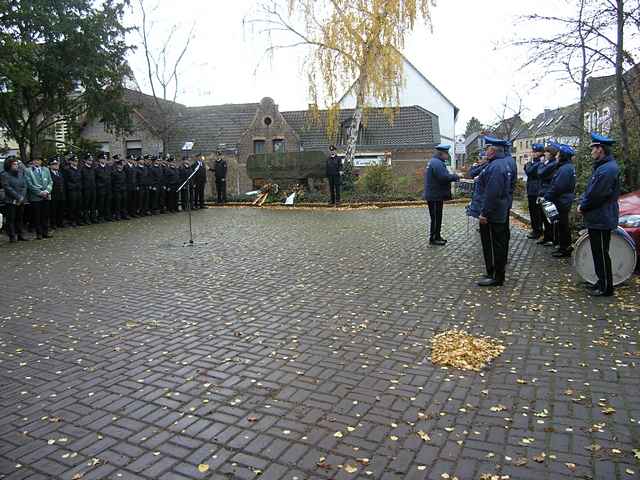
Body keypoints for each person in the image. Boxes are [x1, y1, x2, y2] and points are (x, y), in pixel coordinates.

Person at [577, 133, 621, 297]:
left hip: (602, 216)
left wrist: (583, 206)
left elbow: (598, 195)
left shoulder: (607, 169)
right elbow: (591, 190)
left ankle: (606, 287)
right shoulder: (603, 167)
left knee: (601, 252)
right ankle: (601, 281)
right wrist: (584, 200)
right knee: (598, 251)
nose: (592, 151)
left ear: (600, 149)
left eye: (593, 148)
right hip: (599, 216)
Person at [477, 136, 512, 287]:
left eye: (487, 148)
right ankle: (497, 273)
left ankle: (497, 276)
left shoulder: (496, 167)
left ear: (493, 150)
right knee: (499, 243)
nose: (485, 151)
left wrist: (484, 213)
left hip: (494, 213)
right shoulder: (503, 163)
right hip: (500, 210)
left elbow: (492, 193)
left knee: (495, 244)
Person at [423, 144, 460, 245]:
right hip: (435, 195)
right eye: (446, 153)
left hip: (435, 194)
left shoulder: (435, 162)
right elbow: (443, 177)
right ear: (441, 154)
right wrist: (456, 176)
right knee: (435, 218)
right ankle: (434, 238)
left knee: (437, 217)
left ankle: (437, 236)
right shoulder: (437, 163)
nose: (447, 156)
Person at [545, 144, 576, 258]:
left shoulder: (564, 169)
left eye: (558, 154)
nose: (556, 156)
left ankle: (564, 248)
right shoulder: (567, 167)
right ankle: (563, 246)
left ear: (563, 156)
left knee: (563, 225)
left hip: (562, 201)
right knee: (562, 225)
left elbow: (558, 186)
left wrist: (548, 196)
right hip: (564, 200)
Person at [24, 156, 53, 239]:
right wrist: (40, 192)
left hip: (46, 196)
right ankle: (39, 233)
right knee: (37, 216)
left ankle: (45, 232)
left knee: (46, 215)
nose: (37, 162)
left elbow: (50, 181)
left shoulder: (46, 170)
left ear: (41, 161)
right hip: (35, 197)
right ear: (32, 161)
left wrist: (47, 191)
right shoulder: (28, 171)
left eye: (39, 160)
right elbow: (29, 184)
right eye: (35, 160)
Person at [1, 157, 29, 242]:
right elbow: (7, 187)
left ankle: (20, 235)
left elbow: (24, 185)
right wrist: (18, 197)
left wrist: (22, 197)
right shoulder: (4, 175)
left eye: (17, 164)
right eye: (14, 164)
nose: (16, 166)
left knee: (19, 218)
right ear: (9, 165)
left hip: (21, 199)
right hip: (11, 200)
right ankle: (12, 236)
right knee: (11, 219)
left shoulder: (20, 173)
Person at [537, 143, 559, 246]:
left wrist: (542, 163)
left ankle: (550, 238)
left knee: (548, 217)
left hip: (547, 193)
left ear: (551, 153)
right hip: (543, 192)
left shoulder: (552, 164)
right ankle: (546, 236)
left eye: (546, 152)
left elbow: (540, 173)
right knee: (543, 217)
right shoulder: (549, 163)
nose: (544, 153)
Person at [524, 144, 545, 239]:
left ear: (541, 152)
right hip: (531, 189)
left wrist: (528, 163)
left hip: (536, 190)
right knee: (532, 211)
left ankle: (537, 230)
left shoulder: (540, 162)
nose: (533, 153)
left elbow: (529, 171)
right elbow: (527, 169)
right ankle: (535, 229)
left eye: (535, 152)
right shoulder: (535, 162)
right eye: (533, 151)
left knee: (536, 212)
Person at [63, 155, 83, 227]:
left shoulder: (79, 169)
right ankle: (72, 220)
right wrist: (72, 186)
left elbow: (81, 179)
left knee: (79, 205)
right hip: (71, 190)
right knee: (72, 206)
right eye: (74, 161)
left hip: (78, 190)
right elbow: (66, 181)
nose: (76, 162)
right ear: (70, 161)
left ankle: (78, 219)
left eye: (77, 161)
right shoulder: (67, 170)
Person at [48, 157, 66, 229]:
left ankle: (60, 222)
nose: (56, 165)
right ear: (50, 165)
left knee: (61, 209)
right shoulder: (49, 173)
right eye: (54, 164)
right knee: (53, 210)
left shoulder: (60, 173)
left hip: (61, 194)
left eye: (57, 164)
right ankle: (53, 223)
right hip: (53, 194)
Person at [95, 153, 112, 222]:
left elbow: (109, 177)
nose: (105, 160)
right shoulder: (96, 169)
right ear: (99, 160)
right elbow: (96, 179)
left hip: (108, 188)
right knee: (101, 204)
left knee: (107, 203)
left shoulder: (108, 167)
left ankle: (107, 216)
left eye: (105, 159)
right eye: (103, 158)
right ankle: (100, 217)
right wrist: (100, 186)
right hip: (101, 189)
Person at [81, 154, 97, 224]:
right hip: (86, 190)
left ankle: (93, 218)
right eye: (89, 160)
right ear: (85, 160)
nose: (91, 161)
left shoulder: (93, 168)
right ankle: (86, 218)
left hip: (93, 189)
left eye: (91, 160)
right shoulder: (82, 169)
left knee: (93, 204)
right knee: (86, 205)